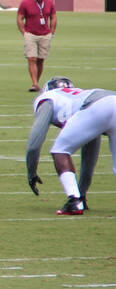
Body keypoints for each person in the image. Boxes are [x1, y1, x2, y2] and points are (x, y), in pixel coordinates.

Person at [25, 77, 115, 215]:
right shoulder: (80, 96)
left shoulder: (48, 98)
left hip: (99, 105)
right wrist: (82, 194)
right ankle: (78, 199)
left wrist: (31, 172)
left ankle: (73, 201)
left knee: (59, 150)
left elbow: (34, 143)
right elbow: (90, 156)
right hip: (109, 97)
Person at [18, 0, 57, 92]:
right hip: (30, 34)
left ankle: (36, 83)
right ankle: (34, 83)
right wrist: (23, 32)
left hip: (45, 35)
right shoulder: (26, 3)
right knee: (32, 58)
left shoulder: (49, 3)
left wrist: (52, 31)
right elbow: (20, 17)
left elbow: (53, 16)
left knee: (40, 60)